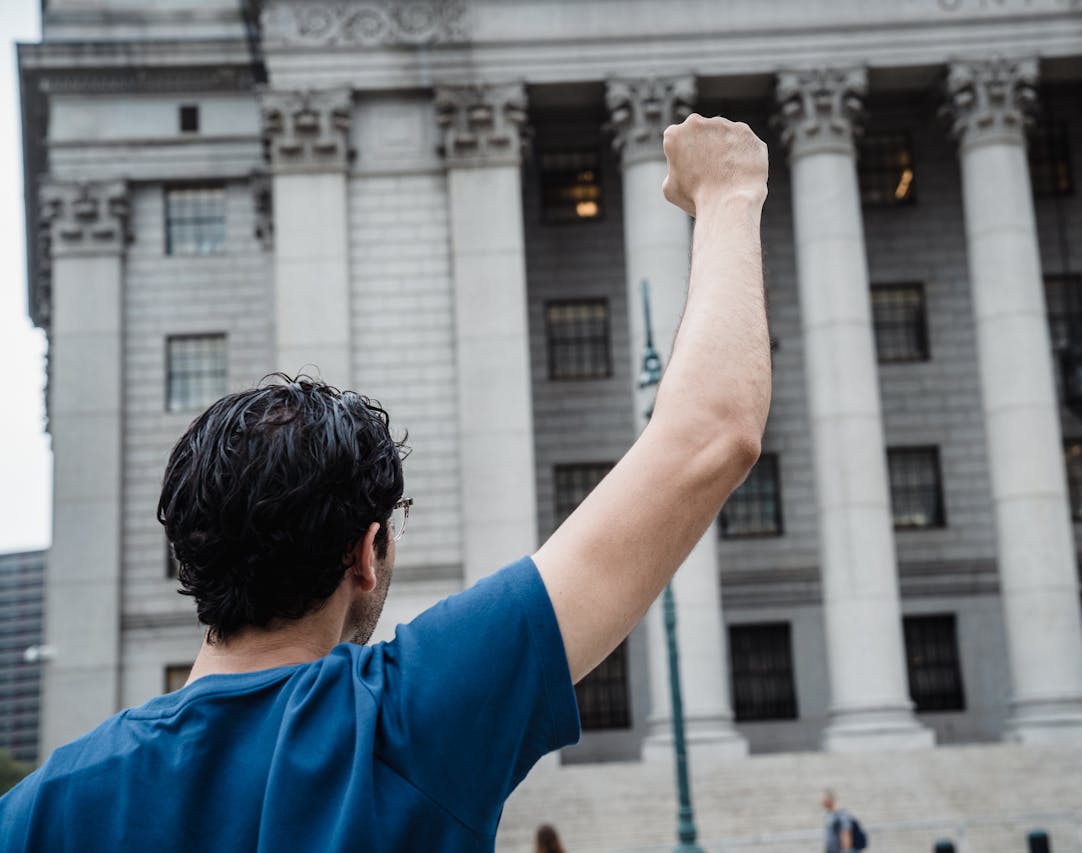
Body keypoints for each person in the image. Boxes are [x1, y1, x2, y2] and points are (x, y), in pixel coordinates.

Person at [0, 113, 771, 852]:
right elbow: (711, 434)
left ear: (193, 557)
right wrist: (729, 191)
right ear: (365, 553)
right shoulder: (404, 720)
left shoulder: (40, 808)